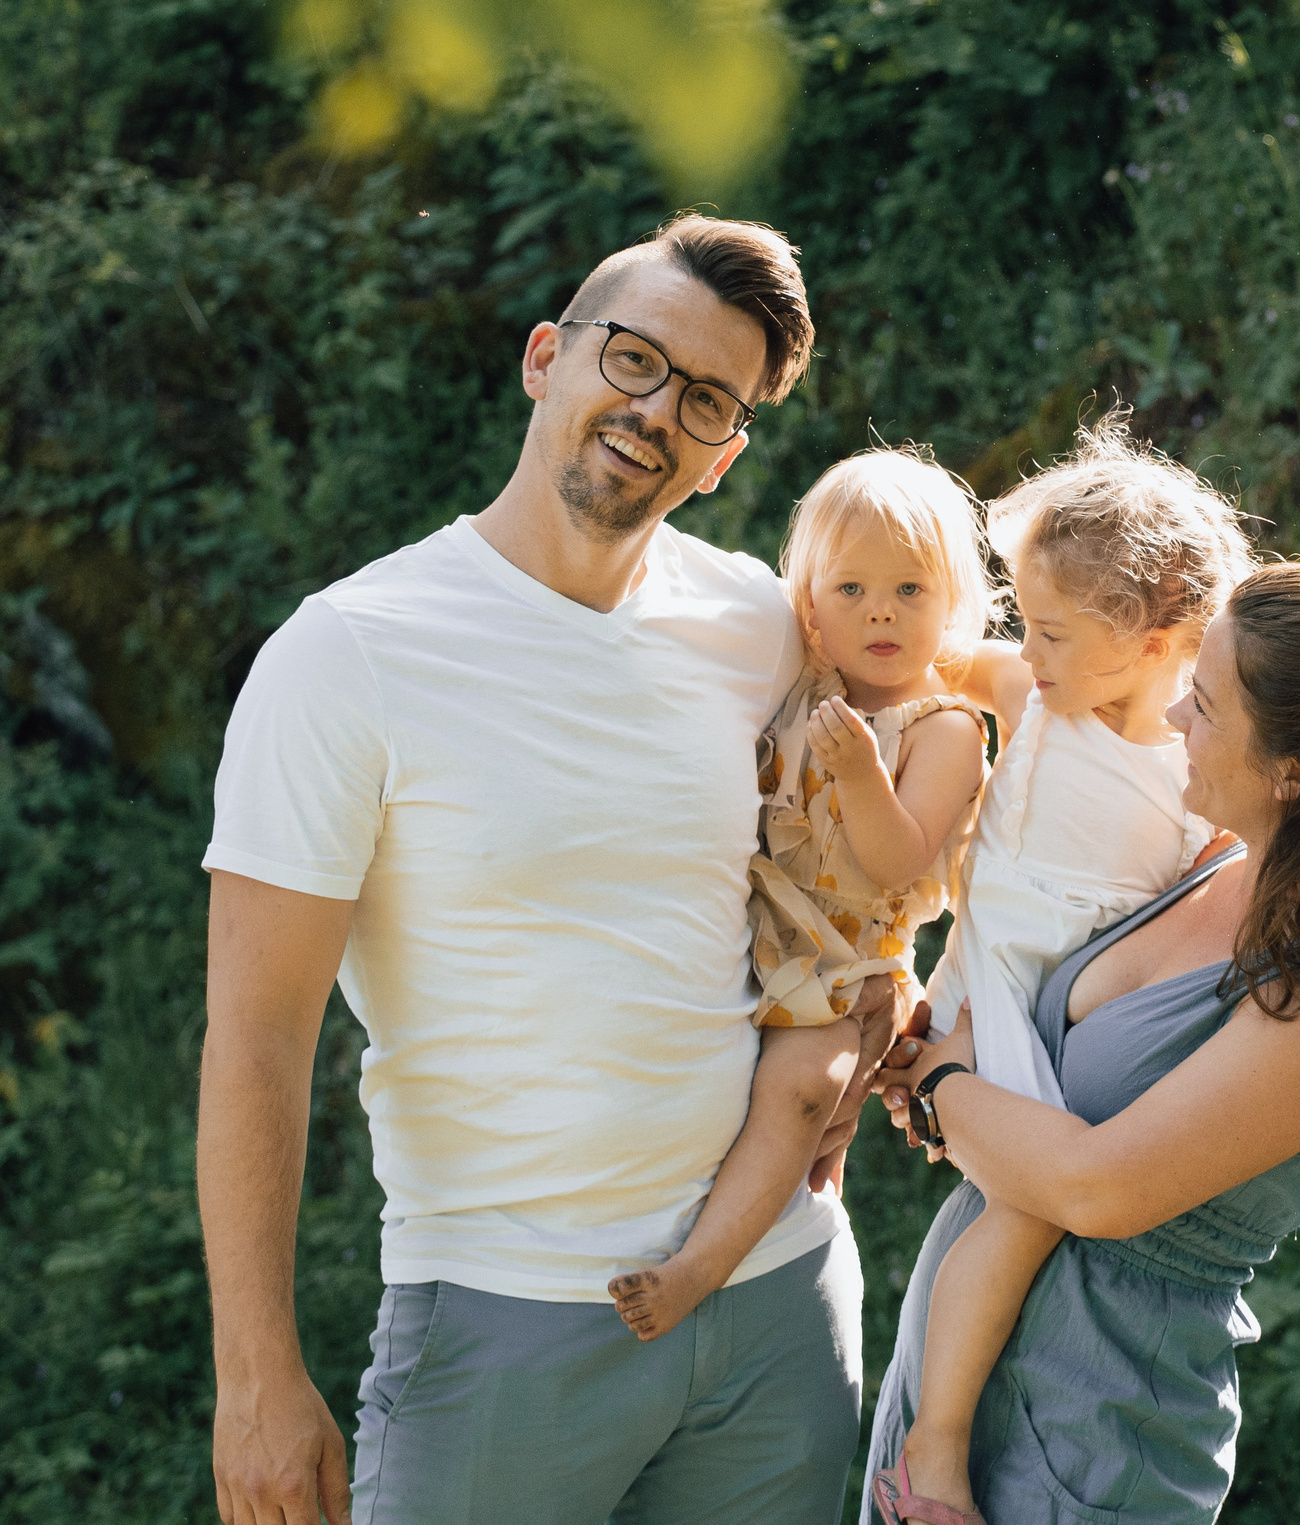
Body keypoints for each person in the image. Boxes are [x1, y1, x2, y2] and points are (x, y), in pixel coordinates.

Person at [196, 214, 900, 1525]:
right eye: (633, 360)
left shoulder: (757, 622)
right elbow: (254, 1037)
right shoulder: (348, 653)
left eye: (703, 401)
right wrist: (255, 1378)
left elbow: (869, 829)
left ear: (724, 455)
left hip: (776, 1304)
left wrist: (875, 1001)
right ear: (545, 358)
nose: (653, 412)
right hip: (503, 1322)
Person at [867, 561, 1300, 1525]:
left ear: (1293, 770)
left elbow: (1093, 1186)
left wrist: (943, 1085)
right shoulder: (1212, 859)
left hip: (1092, 1439)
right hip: (948, 1387)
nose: (1175, 723)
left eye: (1205, 704)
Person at [872, 420, 1252, 1521]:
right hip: (967, 972)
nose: (1025, 653)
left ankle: (934, 1443)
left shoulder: (1196, 770)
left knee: (1023, 1211)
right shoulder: (1037, 694)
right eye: (1024, 626)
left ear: (1156, 636)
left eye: (1050, 632)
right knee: (846, 1069)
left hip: (1038, 1026)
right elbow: (927, 658)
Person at [608, 446, 993, 1340]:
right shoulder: (798, 684)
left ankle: (694, 1272)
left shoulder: (942, 730)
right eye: (850, 589)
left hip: (846, 962)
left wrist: (862, 770)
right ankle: (789, 1239)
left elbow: (897, 859)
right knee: (782, 1124)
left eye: (910, 590)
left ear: (953, 606)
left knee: (802, 1093)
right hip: (758, 938)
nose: (881, 612)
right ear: (809, 606)